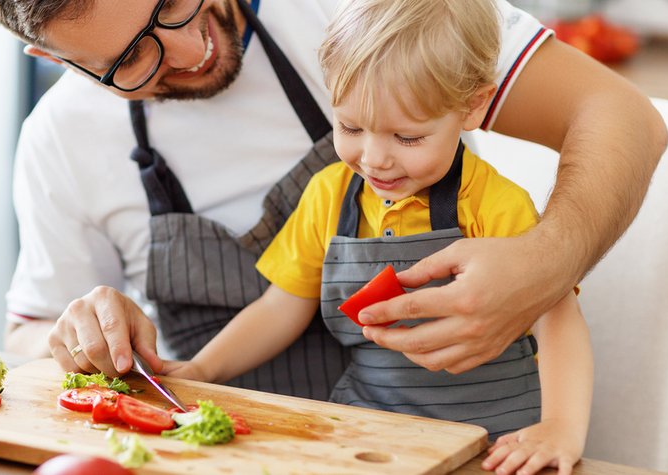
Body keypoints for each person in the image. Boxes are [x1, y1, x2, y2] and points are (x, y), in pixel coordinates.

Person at [0, 0, 665, 396]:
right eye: (132, 58)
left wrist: (546, 264)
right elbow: (26, 335)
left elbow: (622, 116)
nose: (188, 48)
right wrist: (76, 334)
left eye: (173, 0)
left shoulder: (364, 11)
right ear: (51, 59)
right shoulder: (60, 139)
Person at [163, 1, 592, 472]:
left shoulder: (493, 203)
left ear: (472, 107)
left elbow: (557, 318)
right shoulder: (328, 195)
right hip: (370, 434)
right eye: (350, 127)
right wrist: (201, 371)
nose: (374, 159)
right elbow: (278, 306)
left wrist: (560, 428)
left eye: (407, 138)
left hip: (496, 443)